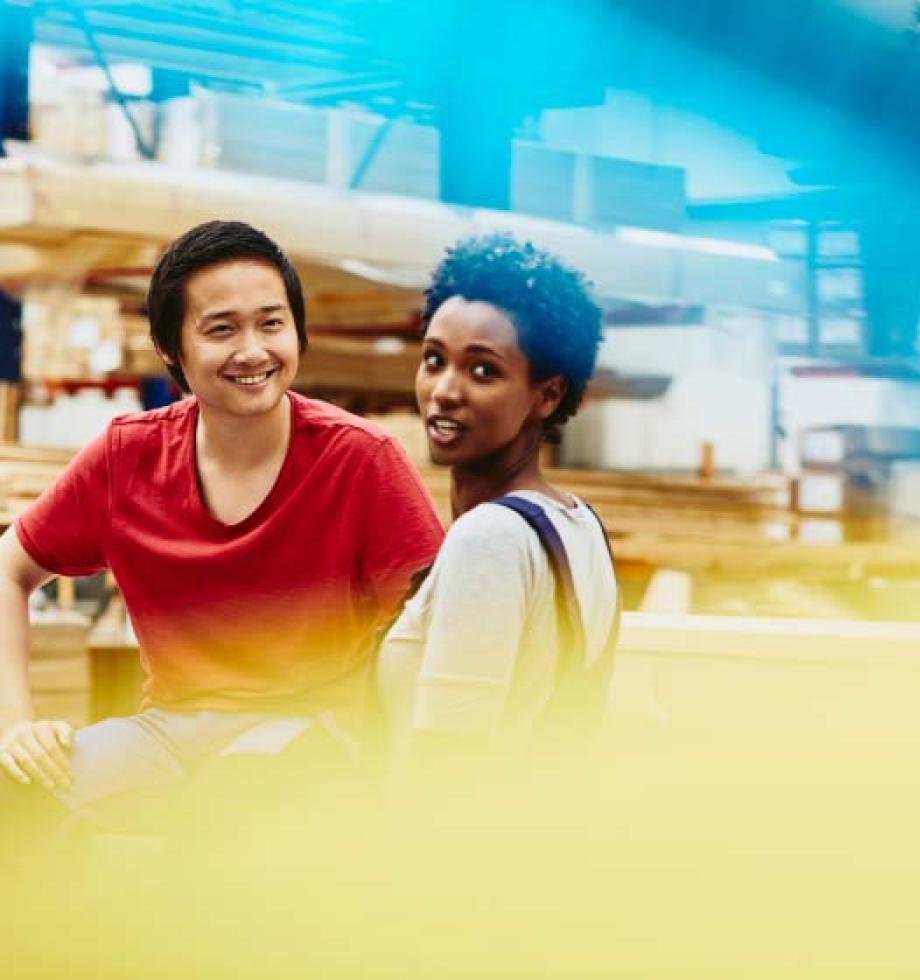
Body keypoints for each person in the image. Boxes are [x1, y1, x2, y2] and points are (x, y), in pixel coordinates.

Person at [0, 220, 444, 836]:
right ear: (169, 347)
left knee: (221, 817)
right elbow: (10, 567)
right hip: (166, 733)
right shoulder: (127, 457)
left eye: (271, 323)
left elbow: (435, 630)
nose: (254, 350)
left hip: (312, 733)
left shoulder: (360, 459)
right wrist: (15, 727)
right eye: (221, 329)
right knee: (15, 800)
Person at [380, 233, 619, 761]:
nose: (444, 389)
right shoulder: (580, 523)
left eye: (483, 369)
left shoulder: (489, 538)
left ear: (548, 394)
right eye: (434, 359)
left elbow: (448, 764)